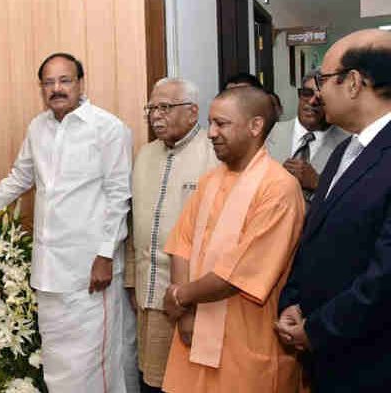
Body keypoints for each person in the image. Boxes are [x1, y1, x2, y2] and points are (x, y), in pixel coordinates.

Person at [0, 53, 133, 392]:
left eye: (65, 80)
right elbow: (18, 179)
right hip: (49, 272)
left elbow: (118, 196)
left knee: (95, 364)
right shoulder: (38, 128)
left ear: (81, 83)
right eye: (48, 83)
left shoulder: (108, 128)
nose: (57, 89)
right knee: (57, 364)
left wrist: (106, 255)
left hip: (91, 272)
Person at [160, 86, 305, 392]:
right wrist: (185, 317)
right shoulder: (210, 180)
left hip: (244, 343)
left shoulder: (279, 188)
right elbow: (180, 245)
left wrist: (180, 298)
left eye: (221, 124)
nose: (211, 133)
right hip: (193, 336)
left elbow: (239, 273)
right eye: (210, 123)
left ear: (255, 126)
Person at [276, 29, 391, 391]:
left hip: (372, 361)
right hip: (328, 356)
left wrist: (317, 329)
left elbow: (385, 276)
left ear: (354, 83)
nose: (318, 92)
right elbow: (316, 236)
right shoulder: (345, 151)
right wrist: (293, 301)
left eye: (323, 79)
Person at [127, 77, 218, 391]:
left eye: (164, 107)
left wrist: (190, 299)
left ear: (192, 113)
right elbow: (132, 224)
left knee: (190, 382)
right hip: (148, 294)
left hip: (195, 299)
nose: (155, 116)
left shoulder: (214, 154)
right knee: (152, 381)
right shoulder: (144, 155)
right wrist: (130, 280)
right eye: (151, 108)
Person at [266, 69, 349, 201]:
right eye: (306, 93)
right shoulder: (268, 133)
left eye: (321, 97)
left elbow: (353, 199)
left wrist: (318, 183)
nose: (311, 102)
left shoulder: (348, 144)